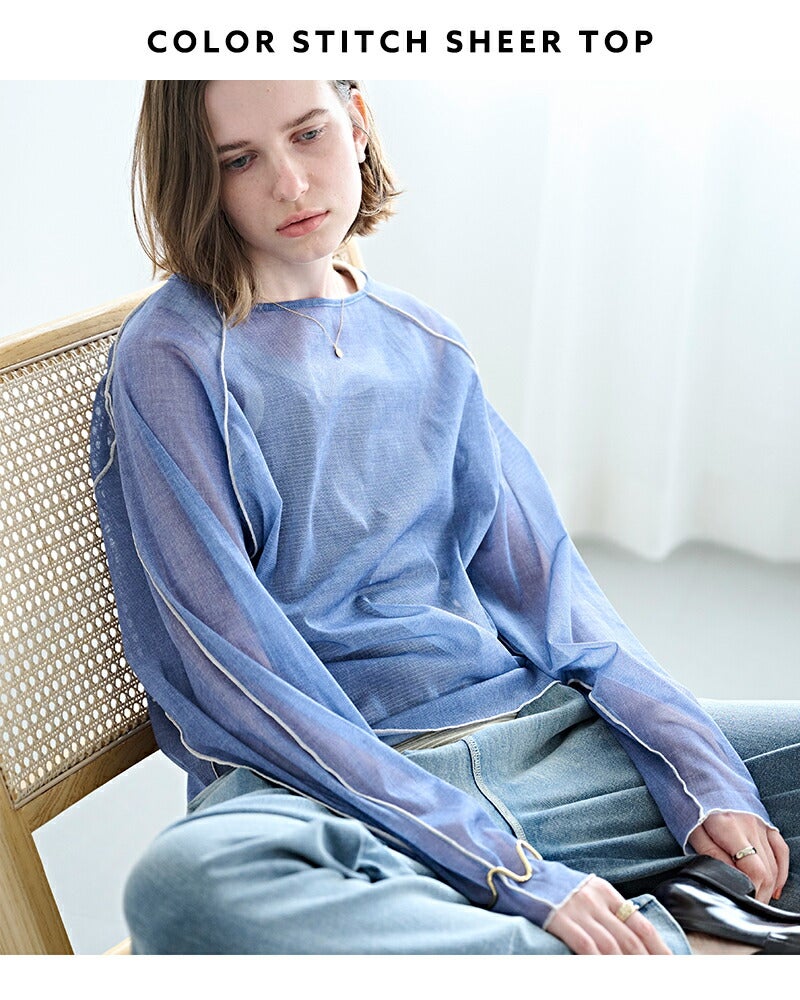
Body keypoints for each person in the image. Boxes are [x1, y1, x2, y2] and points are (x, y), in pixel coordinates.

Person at [90, 79, 798, 955]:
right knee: (185, 890)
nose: (290, 184)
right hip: (324, 787)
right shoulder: (172, 357)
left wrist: (701, 770)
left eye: (308, 135)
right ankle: (672, 941)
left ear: (357, 123)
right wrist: (502, 867)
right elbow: (234, 666)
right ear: (198, 175)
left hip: (543, 750)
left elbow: (553, 595)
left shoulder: (425, 339)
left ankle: (594, 932)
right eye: (238, 160)